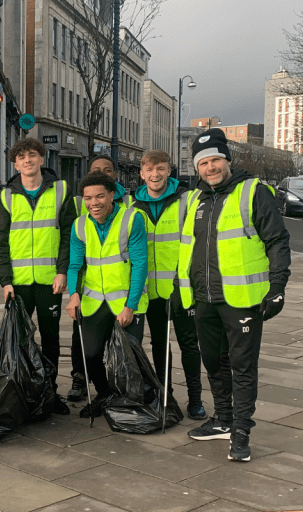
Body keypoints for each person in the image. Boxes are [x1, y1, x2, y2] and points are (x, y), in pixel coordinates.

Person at [179, 128, 291, 462]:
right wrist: (181, 291)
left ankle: (241, 432)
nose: (209, 167)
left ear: (227, 160)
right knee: (213, 362)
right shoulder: (195, 199)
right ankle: (223, 419)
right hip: (204, 298)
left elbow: (277, 241)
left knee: (242, 367)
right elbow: (188, 249)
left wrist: (277, 287)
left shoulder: (253, 192)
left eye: (214, 160)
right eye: (203, 163)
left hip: (243, 300)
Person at [0, 137, 76, 416]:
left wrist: (63, 270)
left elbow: (69, 236)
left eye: (32, 155)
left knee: (51, 339)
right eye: (21, 157)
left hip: (49, 280)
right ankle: (23, 391)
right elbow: (0, 242)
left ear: (42, 158)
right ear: (15, 163)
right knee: (20, 339)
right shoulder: (5, 196)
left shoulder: (62, 191)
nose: (27, 160)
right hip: (17, 284)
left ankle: (50, 392)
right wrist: (5, 281)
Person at [65, 172, 148, 418]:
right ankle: (104, 395)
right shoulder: (80, 225)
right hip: (93, 300)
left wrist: (130, 306)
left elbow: (140, 265)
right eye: (88, 198)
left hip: (125, 301)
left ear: (112, 195)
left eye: (100, 196)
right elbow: (75, 266)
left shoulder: (132, 219)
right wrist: (73, 295)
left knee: (128, 358)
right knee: (90, 354)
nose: (94, 203)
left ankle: (127, 401)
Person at [132, 150, 207, 421]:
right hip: (151, 292)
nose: (155, 175)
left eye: (161, 169)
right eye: (150, 170)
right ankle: (166, 394)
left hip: (182, 288)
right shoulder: (132, 207)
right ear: (142, 174)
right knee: (160, 346)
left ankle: (196, 399)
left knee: (189, 344)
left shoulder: (187, 199)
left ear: (169, 170)